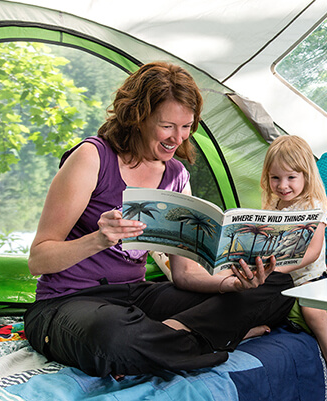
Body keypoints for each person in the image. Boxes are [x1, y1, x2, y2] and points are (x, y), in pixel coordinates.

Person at [23, 61, 295, 378]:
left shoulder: (177, 176)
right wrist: (98, 240)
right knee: (112, 334)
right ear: (138, 116)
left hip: (135, 298)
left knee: (277, 288)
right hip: (68, 303)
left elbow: (183, 276)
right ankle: (212, 338)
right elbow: (38, 259)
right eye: (167, 125)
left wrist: (232, 283)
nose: (177, 138)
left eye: (186, 126)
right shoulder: (92, 158)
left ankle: (168, 338)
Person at [260, 135, 327, 401]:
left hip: (309, 279)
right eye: (275, 178)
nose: (282, 185)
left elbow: (311, 254)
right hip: (278, 277)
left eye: (290, 177)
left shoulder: (313, 207)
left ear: (306, 175)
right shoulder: (273, 206)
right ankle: (251, 330)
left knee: (312, 311)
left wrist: (278, 269)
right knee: (245, 294)